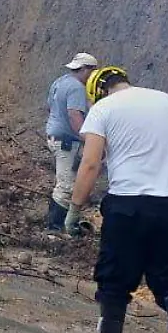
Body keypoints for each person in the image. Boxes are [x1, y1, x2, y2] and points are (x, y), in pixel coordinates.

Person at [64, 66, 168, 333]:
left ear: (98, 91)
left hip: (127, 206)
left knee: (115, 277)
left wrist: (74, 209)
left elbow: (90, 163)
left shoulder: (103, 109)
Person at [44, 53, 98, 230]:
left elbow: (50, 107)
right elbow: (74, 115)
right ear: (84, 69)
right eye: (92, 71)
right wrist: (89, 139)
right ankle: (54, 228)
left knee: (64, 182)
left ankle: (59, 223)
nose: (93, 76)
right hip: (66, 142)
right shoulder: (76, 88)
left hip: (55, 137)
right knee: (66, 186)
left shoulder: (59, 82)